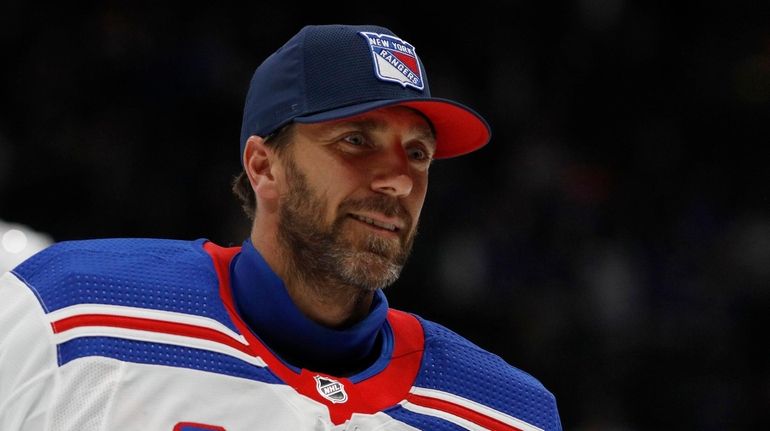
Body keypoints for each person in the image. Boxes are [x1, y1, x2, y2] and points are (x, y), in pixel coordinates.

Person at [0, 24, 562, 431]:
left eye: (418, 153)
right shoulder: (72, 314)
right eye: (357, 141)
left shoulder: (507, 414)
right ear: (264, 166)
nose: (399, 181)